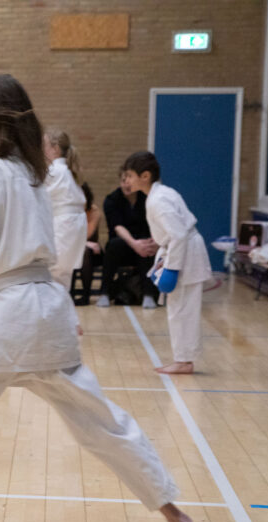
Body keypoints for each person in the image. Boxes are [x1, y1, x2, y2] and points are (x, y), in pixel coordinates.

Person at [0, 74, 216, 522]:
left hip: (9, 316)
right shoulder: (34, 172)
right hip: (48, 311)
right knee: (103, 424)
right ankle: (175, 513)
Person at [124, 150, 212, 374]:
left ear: (145, 176)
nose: (127, 180)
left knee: (182, 310)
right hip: (181, 249)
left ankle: (184, 361)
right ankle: (183, 359)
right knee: (179, 308)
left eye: (130, 175)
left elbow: (180, 234)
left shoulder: (158, 200)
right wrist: (159, 244)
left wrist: (171, 268)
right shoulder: (160, 194)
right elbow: (174, 232)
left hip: (185, 253)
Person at [97, 168, 159, 308]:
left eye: (129, 181)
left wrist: (152, 242)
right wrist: (134, 243)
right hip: (122, 245)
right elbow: (117, 227)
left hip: (142, 244)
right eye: (123, 181)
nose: (126, 185)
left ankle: (148, 295)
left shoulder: (146, 200)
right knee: (114, 245)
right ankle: (104, 293)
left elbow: (154, 224)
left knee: (146, 247)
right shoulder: (112, 199)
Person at [42, 128, 88, 287]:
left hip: (64, 225)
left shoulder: (55, 170)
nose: (41, 149)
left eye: (44, 145)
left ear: (54, 149)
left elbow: (35, 193)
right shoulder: (68, 171)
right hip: (74, 226)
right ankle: (61, 309)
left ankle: (51, 310)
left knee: (52, 273)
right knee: (63, 275)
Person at [70, 182, 103, 306]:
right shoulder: (68, 210)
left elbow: (88, 234)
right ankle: (69, 293)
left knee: (83, 252)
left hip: (93, 252)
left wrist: (84, 243)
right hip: (75, 247)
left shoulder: (94, 211)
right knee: (72, 252)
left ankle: (86, 295)